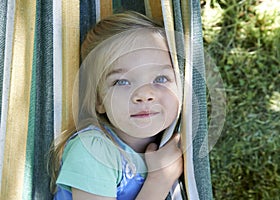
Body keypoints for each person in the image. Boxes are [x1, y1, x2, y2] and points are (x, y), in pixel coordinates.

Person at [48, 11, 183, 200]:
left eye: (160, 78)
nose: (143, 95)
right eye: (122, 82)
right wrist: (160, 179)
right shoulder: (94, 150)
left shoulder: (173, 144)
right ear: (99, 100)